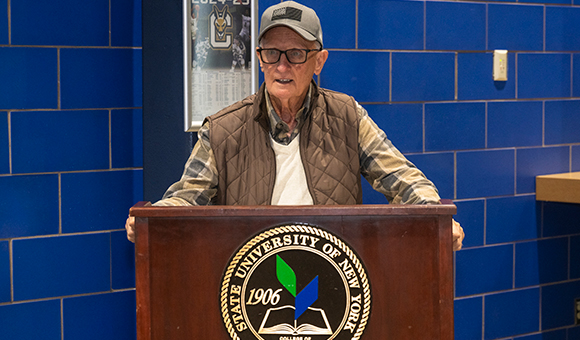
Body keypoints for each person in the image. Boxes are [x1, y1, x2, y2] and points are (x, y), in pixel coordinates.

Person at [126, 1, 465, 250]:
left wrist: (435, 218)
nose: (282, 66)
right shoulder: (222, 129)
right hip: (251, 282)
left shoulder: (348, 116)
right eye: (272, 53)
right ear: (259, 58)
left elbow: (403, 179)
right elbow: (186, 198)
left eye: (296, 53)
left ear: (319, 60)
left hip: (334, 275)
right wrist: (151, 220)